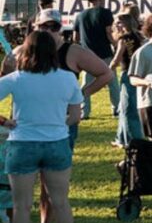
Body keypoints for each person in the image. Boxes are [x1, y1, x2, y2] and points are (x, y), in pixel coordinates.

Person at [0, 31, 83, 223]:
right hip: (57, 142)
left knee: (22, 207)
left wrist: (4, 121)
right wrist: (59, 122)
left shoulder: (15, 78)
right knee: (61, 203)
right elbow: (75, 116)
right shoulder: (68, 78)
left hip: (22, 144)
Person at [26, 9, 113, 149]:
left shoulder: (73, 51)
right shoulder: (25, 51)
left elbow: (107, 74)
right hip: (31, 119)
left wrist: (82, 94)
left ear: (60, 29)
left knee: (58, 168)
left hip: (63, 119)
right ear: (35, 27)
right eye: (44, 26)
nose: (48, 31)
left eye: (53, 27)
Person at [74, 0, 119, 119]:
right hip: (104, 53)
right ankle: (116, 108)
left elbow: (75, 38)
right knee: (112, 82)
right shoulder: (105, 13)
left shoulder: (80, 15)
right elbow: (108, 33)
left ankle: (85, 111)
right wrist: (116, 44)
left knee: (86, 85)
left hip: (87, 55)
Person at [111, 6, 145, 147]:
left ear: (126, 23)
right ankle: (121, 138)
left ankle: (135, 141)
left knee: (128, 109)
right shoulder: (139, 36)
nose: (117, 25)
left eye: (119, 22)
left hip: (128, 74)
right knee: (124, 107)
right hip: (139, 73)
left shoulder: (123, 39)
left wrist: (107, 70)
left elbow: (117, 59)